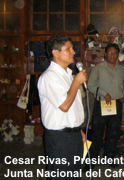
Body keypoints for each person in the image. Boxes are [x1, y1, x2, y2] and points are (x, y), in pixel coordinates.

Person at [37, 34, 87, 178]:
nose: (73, 52)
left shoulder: (68, 74)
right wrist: (77, 82)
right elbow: (64, 105)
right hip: (59, 139)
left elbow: (73, 107)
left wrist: (78, 129)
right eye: (68, 49)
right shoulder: (49, 77)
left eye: (72, 48)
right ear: (55, 52)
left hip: (74, 135)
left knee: (74, 174)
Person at [87, 43, 124, 166]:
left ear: (118, 55)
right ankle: (91, 161)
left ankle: (109, 157)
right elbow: (91, 85)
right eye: (110, 53)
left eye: (115, 53)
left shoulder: (120, 70)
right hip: (102, 104)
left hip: (116, 104)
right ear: (106, 54)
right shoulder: (98, 68)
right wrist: (103, 93)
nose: (113, 55)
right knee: (96, 134)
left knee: (114, 133)